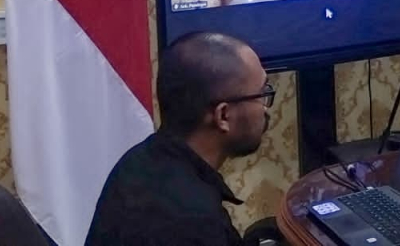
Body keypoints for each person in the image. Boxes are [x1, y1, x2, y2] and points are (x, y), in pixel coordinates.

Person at [86, 32, 274, 246]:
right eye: (261, 95)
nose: (265, 109)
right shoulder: (196, 223)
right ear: (223, 116)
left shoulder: (136, 161)